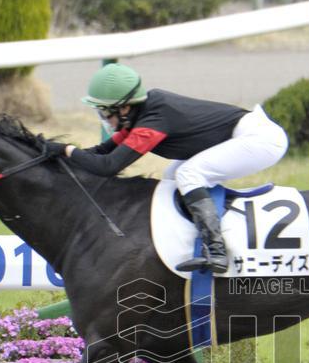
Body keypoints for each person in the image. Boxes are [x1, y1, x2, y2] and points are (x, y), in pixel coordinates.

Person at [45, 63, 289, 273]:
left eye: (104, 112)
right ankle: (186, 244)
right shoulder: (139, 117)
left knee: (188, 174)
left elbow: (108, 166)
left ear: (125, 108)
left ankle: (217, 250)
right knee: (172, 177)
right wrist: (54, 153)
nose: (104, 119)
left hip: (260, 139)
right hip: (241, 135)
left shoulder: (154, 120)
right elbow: (99, 152)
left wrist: (67, 150)